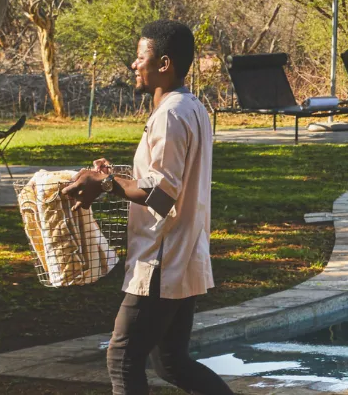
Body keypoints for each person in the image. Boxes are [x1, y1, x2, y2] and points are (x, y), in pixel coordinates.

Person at [81, 20, 234, 395]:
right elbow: (165, 179)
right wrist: (114, 175)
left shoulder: (170, 114)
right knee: (171, 362)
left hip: (162, 262)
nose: (134, 64)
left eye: (140, 57)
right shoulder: (192, 106)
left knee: (122, 358)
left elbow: (162, 195)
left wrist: (103, 184)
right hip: (183, 255)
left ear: (164, 63)